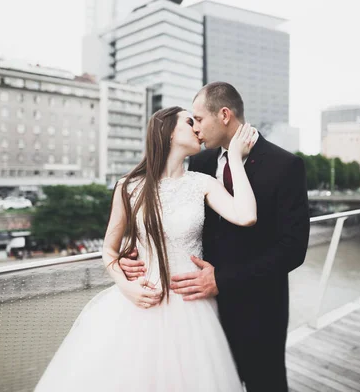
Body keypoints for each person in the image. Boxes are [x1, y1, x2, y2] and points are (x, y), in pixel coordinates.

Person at [34, 106, 257, 392]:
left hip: (192, 306)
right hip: (141, 302)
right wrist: (125, 287)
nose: (198, 129)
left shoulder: (203, 183)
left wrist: (236, 160)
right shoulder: (128, 186)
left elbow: (246, 216)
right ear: (168, 132)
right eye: (190, 122)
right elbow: (109, 251)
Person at [120, 82, 310, 391]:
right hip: (199, 308)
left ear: (224, 115)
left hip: (259, 309)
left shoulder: (285, 165)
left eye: (199, 119)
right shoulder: (201, 162)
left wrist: (222, 280)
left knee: (266, 383)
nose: (195, 128)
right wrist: (137, 251)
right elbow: (179, 221)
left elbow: (293, 249)